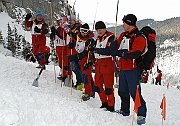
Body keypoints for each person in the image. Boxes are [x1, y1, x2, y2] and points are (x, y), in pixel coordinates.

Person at [110, 14, 147, 125]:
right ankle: (124, 110)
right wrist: (113, 46)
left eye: (125, 23)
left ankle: (141, 114)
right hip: (123, 69)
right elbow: (116, 47)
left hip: (133, 69)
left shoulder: (139, 37)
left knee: (135, 93)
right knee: (122, 91)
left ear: (129, 23)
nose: (123, 25)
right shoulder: (123, 35)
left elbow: (135, 53)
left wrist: (120, 53)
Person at [88, 21, 115, 112]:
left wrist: (96, 50)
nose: (99, 31)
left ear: (105, 28)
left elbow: (109, 51)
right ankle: (104, 103)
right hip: (98, 64)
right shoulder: (97, 39)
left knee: (108, 87)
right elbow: (94, 52)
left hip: (107, 64)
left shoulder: (110, 37)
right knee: (97, 86)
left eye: (100, 29)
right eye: (97, 30)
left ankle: (111, 106)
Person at [68, 23, 95, 101]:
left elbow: (86, 52)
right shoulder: (78, 36)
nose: (83, 33)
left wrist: (76, 57)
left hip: (86, 59)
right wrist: (71, 44)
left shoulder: (89, 40)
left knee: (86, 76)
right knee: (88, 75)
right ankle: (92, 90)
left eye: (85, 31)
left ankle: (88, 92)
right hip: (79, 58)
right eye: (82, 31)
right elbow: (72, 37)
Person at [66, 14, 84, 90]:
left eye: (72, 20)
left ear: (75, 21)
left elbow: (79, 37)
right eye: (69, 20)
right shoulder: (69, 28)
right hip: (70, 51)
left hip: (77, 51)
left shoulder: (78, 27)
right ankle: (79, 82)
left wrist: (72, 40)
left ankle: (81, 82)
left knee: (76, 67)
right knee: (74, 67)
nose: (70, 22)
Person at [50, 18, 69, 82]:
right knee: (60, 63)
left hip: (64, 47)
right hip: (58, 47)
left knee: (65, 62)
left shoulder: (65, 29)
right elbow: (53, 38)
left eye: (60, 22)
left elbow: (63, 37)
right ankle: (63, 74)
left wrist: (56, 33)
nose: (59, 23)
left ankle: (65, 75)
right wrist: (52, 33)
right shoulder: (57, 29)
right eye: (58, 22)